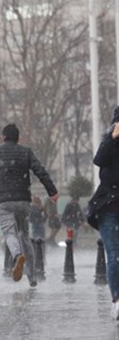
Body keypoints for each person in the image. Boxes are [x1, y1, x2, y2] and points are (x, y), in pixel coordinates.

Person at [0, 123, 59, 287]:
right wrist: (52, 191)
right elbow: (40, 171)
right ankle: (32, 277)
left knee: (10, 232)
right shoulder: (26, 152)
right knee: (24, 235)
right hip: (23, 200)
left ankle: (17, 257)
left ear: (3, 137)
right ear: (18, 138)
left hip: (2, 201)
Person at [87, 105, 119, 320]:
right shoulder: (110, 144)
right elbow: (98, 159)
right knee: (115, 256)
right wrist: (112, 137)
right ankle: (117, 300)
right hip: (109, 208)